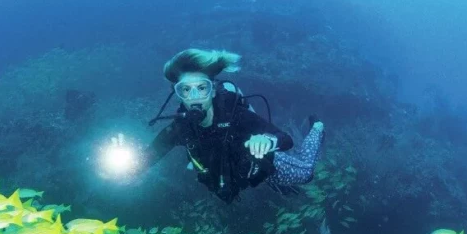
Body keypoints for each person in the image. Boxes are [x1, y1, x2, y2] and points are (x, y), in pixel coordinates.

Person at [113, 48, 324, 203]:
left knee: (306, 173)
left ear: (213, 91)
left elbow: (286, 139)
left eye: (201, 88)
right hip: (232, 178)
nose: (194, 97)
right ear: (178, 94)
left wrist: (266, 140)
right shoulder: (180, 128)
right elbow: (146, 160)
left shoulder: (236, 115)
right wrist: (125, 162)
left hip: (264, 166)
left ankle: (317, 128)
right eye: (186, 90)